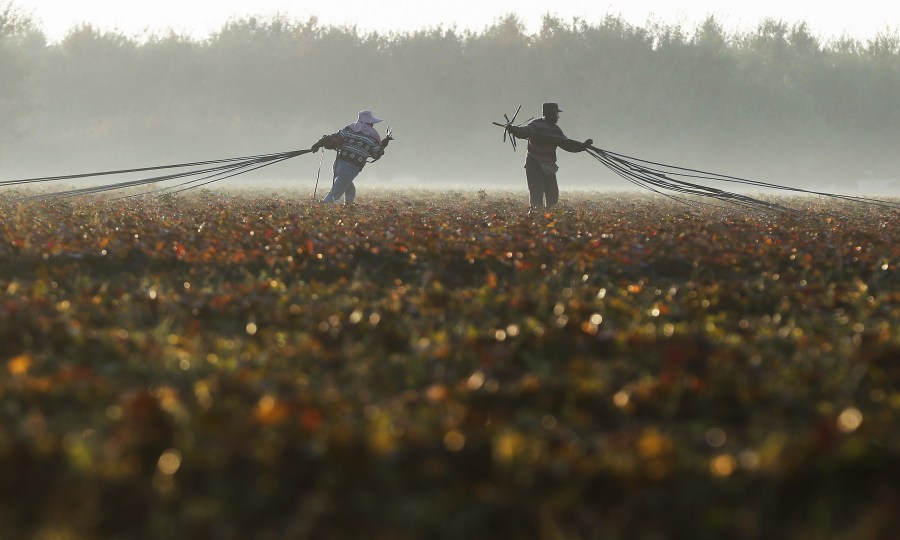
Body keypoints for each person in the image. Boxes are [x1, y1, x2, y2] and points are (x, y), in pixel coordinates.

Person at [507, 102, 592, 208]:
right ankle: (537, 216)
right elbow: (524, 132)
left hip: (548, 166)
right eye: (556, 113)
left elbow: (566, 143)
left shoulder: (556, 130)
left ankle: (549, 216)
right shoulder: (536, 125)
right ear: (550, 113)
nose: (558, 116)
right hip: (535, 165)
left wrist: (582, 147)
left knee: (553, 196)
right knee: (537, 195)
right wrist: (513, 129)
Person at [311, 110, 392, 205]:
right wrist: (386, 141)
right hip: (351, 167)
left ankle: (348, 204)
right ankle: (322, 205)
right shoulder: (372, 137)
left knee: (349, 187)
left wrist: (319, 144)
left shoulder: (349, 130)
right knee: (336, 193)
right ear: (369, 123)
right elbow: (376, 153)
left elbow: (334, 138)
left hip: (338, 165)